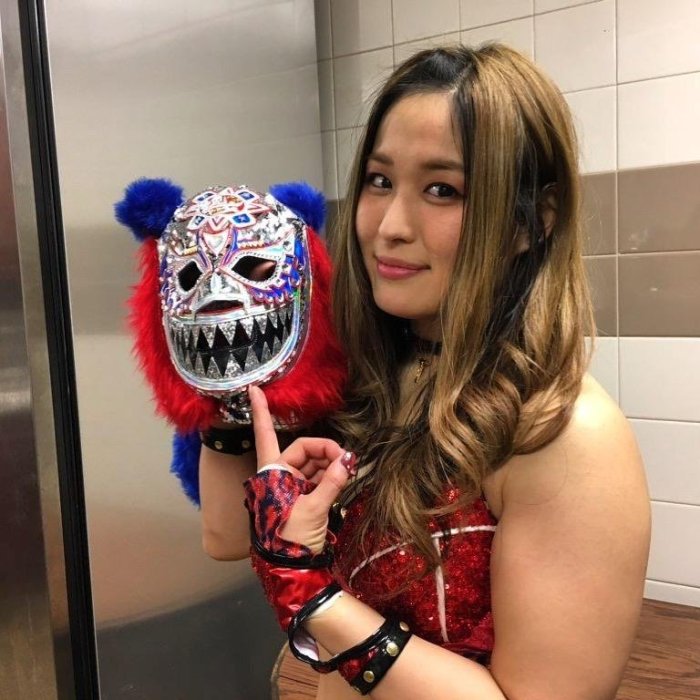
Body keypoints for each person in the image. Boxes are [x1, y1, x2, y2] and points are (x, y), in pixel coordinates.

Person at [199, 43, 651, 699]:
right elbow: (224, 537)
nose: (389, 226)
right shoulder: (372, 377)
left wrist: (312, 593)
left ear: (533, 223)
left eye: (443, 190)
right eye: (380, 181)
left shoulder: (566, 435)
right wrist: (220, 379)